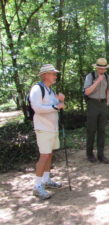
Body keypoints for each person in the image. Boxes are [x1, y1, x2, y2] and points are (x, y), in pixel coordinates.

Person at [30, 64, 65, 200]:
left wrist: (60, 100)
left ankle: (46, 180)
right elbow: (37, 108)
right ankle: (37, 187)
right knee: (44, 156)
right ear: (45, 75)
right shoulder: (37, 89)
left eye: (55, 74)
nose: (55, 76)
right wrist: (56, 106)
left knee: (49, 155)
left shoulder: (49, 90)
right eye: (53, 74)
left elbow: (55, 105)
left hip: (52, 128)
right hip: (43, 128)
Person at [83, 58, 109, 163]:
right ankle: (89, 154)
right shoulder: (90, 76)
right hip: (92, 104)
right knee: (91, 130)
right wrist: (97, 81)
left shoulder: (107, 77)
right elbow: (87, 92)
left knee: (102, 131)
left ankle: (101, 155)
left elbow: (107, 90)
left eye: (104, 68)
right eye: (100, 68)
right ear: (96, 67)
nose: (102, 70)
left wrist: (107, 102)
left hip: (103, 104)